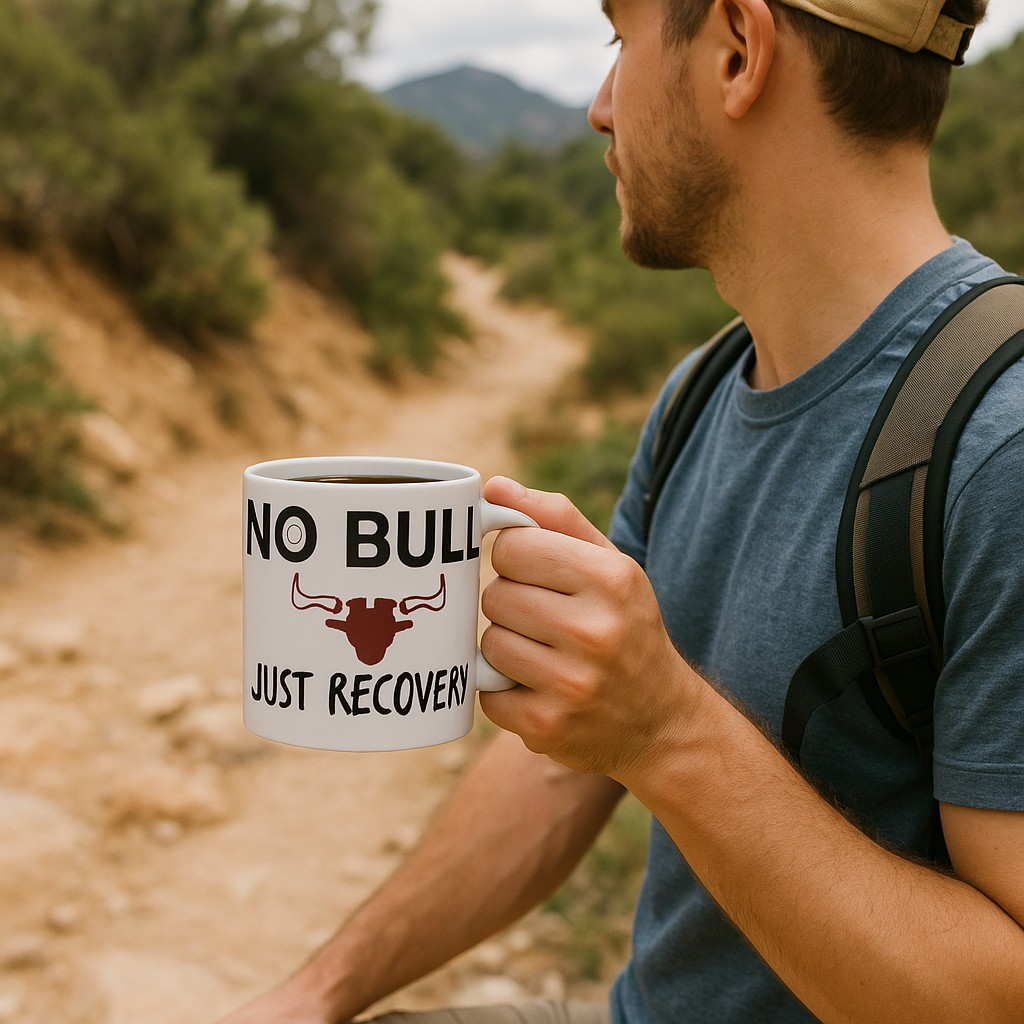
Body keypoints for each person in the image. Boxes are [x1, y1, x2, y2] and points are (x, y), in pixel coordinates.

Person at [216, 1, 1024, 1021]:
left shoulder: (1001, 445)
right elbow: (562, 775)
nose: (600, 108)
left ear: (737, 48)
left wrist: (671, 732)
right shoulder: (703, 390)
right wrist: (316, 994)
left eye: (618, 41)